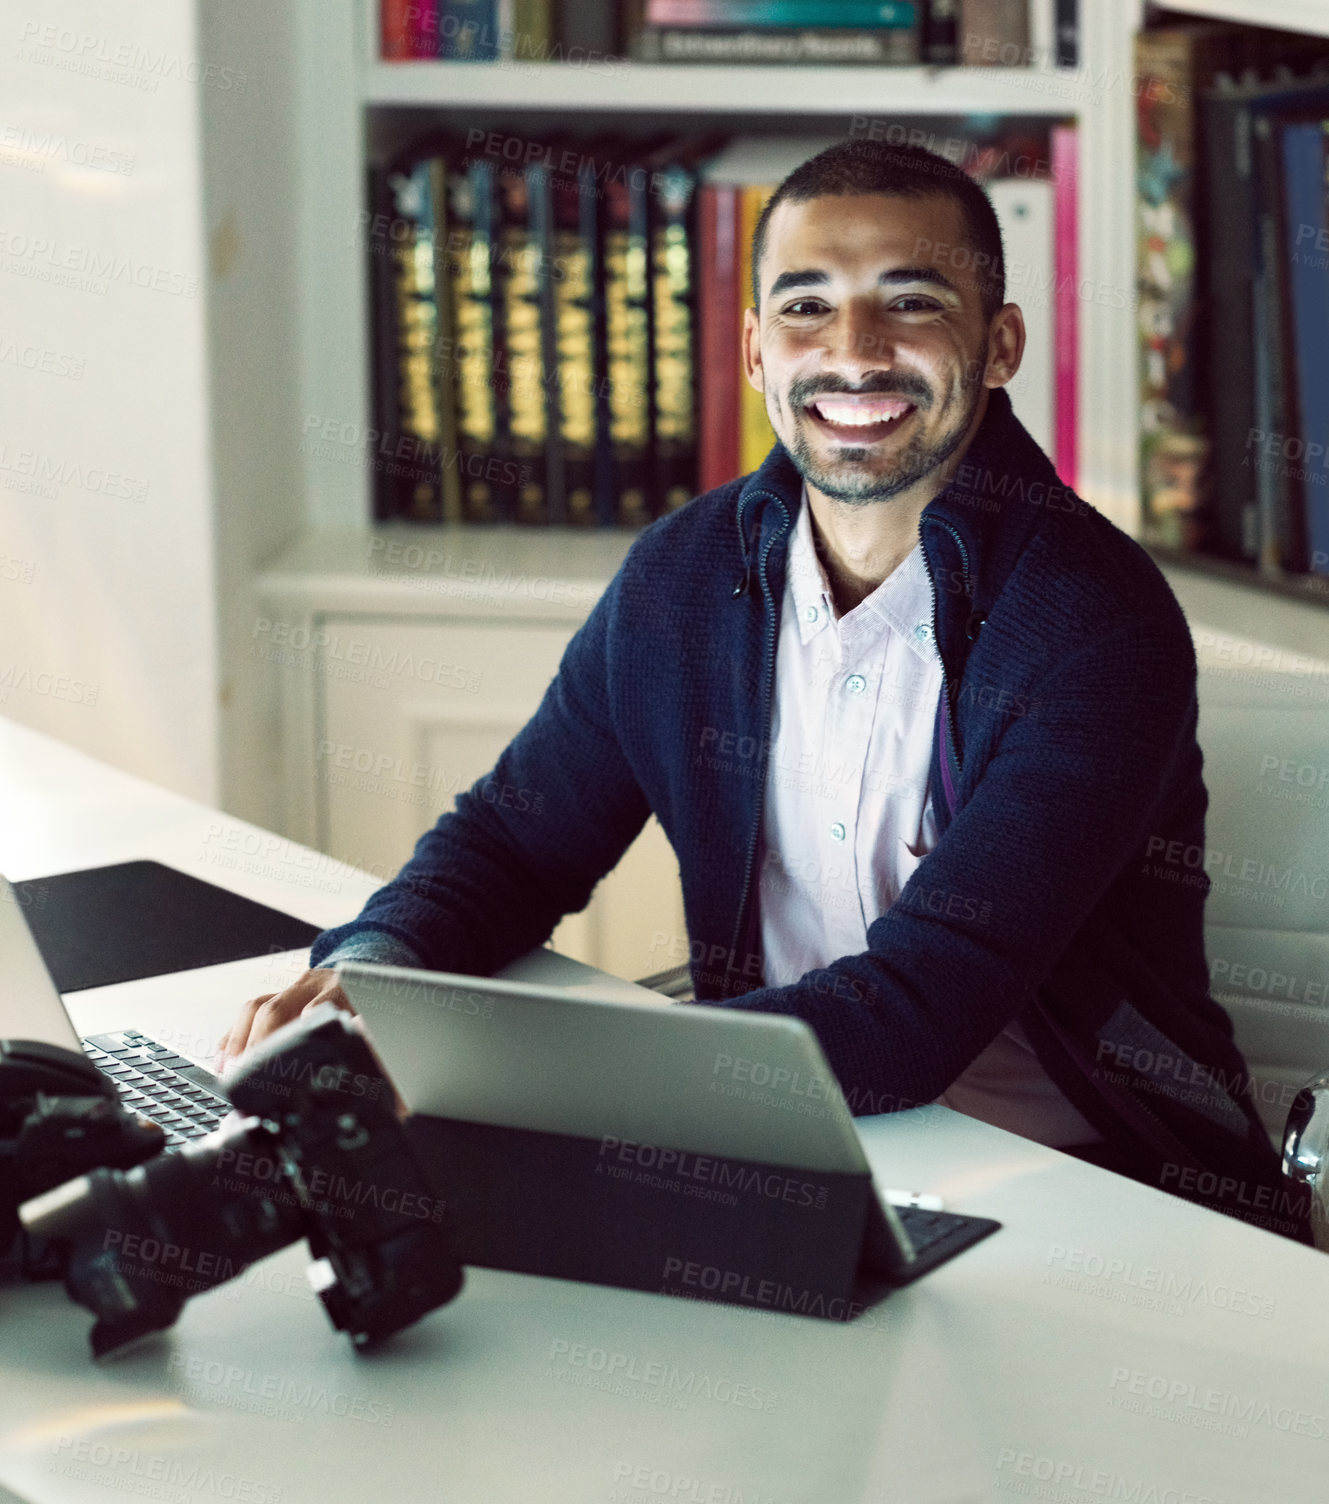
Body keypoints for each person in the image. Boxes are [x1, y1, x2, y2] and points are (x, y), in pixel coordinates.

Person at [221, 139, 1304, 1240]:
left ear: (999, 345)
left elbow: (918, 1011)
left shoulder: (1093, 621)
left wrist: (544, 1082)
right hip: (788, 1149)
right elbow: (513, 838)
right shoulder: (683, 579)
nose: (855, 353)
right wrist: (375, 973)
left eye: (912, 301)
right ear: (752, 351)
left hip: (1089, 1187)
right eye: (805, 309)